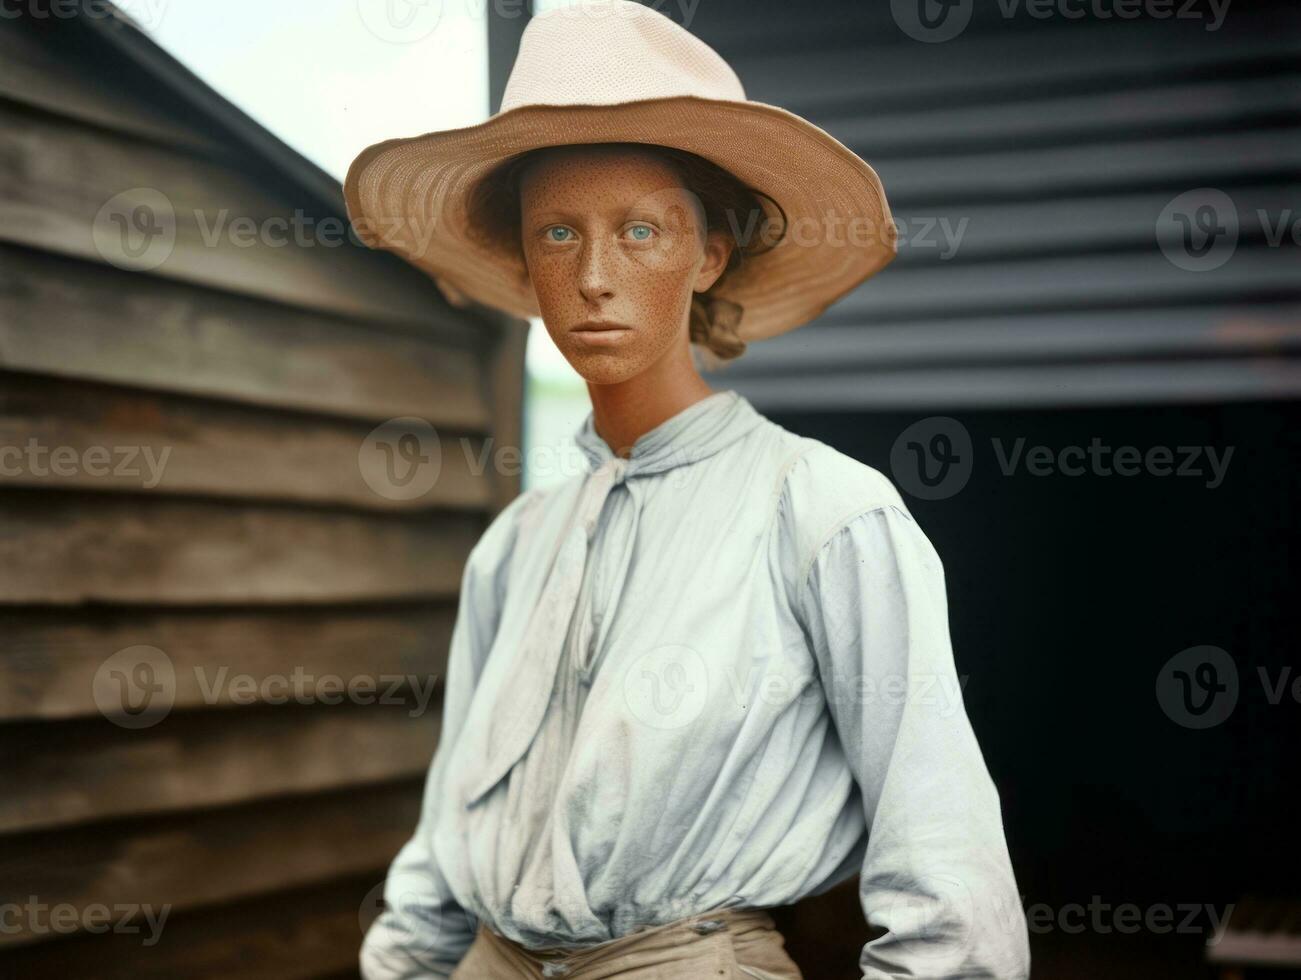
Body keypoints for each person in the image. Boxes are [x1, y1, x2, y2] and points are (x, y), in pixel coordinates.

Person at [344, 2, 1031, 977]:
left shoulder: (825, 513)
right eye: (556, 233)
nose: (593, 276)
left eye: (639, 229)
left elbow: (948, 880)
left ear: (707, 253)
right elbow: (442, 841)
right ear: (524, 263)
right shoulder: (516, 542)